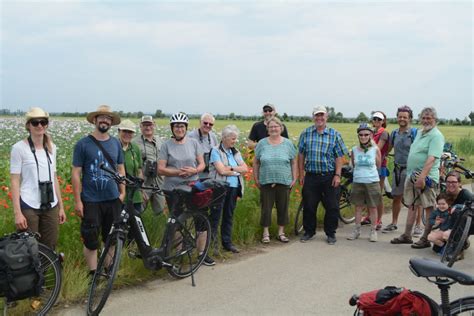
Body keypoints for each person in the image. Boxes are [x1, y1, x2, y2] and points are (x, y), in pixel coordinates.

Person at [72, 105, 125, 275]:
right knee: (91, 238)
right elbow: (76, 173)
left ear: (111, 122)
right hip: (91, 199)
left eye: (108, 118)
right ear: (95, 120)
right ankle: (94, 273)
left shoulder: (116, 143)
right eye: (101, 117)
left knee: (111, 238)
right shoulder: (83, 144)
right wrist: (78, 201)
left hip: (112, 198)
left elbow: (120, 168)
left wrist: (122, 192)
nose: (105, 120)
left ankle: (108, 269)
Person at [157, 113, 212, 265]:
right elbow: (160, 169)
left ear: (186, 128)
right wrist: (179, 172)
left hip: (192, 186)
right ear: (172, 128)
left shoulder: (194, 143)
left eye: (182, 126)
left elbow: (201, 164)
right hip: (173, 189)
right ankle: (178, 254)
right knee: (176, 222)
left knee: (200, 219)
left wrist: (194, 171)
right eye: (176, 126)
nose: (179, 129)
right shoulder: (166, 145)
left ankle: (202, 254)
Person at [10, 107, 66, 250]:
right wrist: (17, 213)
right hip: (29, 205)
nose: (40, 125)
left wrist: (61, 207)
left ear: (47, 124)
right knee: (29, 247)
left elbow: (54, 177)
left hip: (50, 205)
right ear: (28, 126)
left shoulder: (52, 147)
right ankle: (29, 273)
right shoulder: (19, 148)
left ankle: (45, 273)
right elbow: (15, 181)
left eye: (43, 122)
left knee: (50, 247)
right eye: (35, 122)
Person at [391, 107, 445, 248]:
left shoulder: (436, 136)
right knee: (412, 205)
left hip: (426, 178)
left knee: (428, 208)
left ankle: (425, 238)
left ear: (435, 120)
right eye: (424, 118)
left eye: (429, 118)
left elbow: (431, 158)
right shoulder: (420, 133)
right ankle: (407, 235)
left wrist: (422, 177)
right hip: (412, 175)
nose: (426, 120)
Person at [298, 105, 348, 245]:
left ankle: (330, 233)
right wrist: (301, 174)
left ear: (326, 117)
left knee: (332, 206)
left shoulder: (334, 134)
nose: (319, 118)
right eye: (317, 115)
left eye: (322, 115)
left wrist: (337, 175)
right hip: (311, 176)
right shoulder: (306, 133)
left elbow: (339, 157)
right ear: (313, 117)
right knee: (309, 205)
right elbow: (301, 155)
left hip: (329, 176)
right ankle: (309, 231)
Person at [253, 117, 297, 243]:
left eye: (276, 126)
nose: (273, 129)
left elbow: (293, 162)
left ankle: (281, 233)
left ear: (281, 128)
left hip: (284, 181)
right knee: (266, 207)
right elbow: (256, 162)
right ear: (267, 129)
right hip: (266, 180)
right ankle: (265, 233)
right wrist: (256, 178)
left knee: (283, 207)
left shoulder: (288, 143)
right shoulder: (262, 143)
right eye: (271, 127)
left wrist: (294, 178)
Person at [382, 105, 423, 236]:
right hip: (398, 170)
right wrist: (377, 158)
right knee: (396, 197)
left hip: (413, 170)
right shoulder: (394, 133)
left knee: (416, 199)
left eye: (405, 117)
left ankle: (418, 226)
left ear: (410, 118)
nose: (402, 119)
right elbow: (388, 149)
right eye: (400, 116)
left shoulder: (415, 133)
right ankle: (394, 223)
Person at [208, 125, 248, 253]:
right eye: (232, 138)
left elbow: (245, 168)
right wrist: (236, 170)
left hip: (234, 187)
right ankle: (213, 245)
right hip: (219, 188)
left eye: (235, 138)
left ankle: (227, 243)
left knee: (228, 216)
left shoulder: (235, 152)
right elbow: (220, 170)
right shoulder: (215, 151)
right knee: (216, 216)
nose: (235, 141)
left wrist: (230, 168)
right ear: (224, 138)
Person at [347, 123, 381, 242]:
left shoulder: (375, 149)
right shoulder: (354, 150)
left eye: (366, 134)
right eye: (361, 135)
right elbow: (354, 164)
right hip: (358, 181)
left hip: (372, 181)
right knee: (358, 207)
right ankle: (357, 230)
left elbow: (378, 165)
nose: (363, 137)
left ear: (370, 135)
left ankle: (373, 231)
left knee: (372, 207)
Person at [361, 111, 389, 230]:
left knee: (377, 194)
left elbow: (377, 148)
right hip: (368, 165)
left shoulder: (384, 133)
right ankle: (369, 217)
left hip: (379, 165)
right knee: (369, 193)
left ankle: (378, 220)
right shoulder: (372, 132)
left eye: (379, 119)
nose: (376, 121)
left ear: (383, 121)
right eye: (375, 119)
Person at [133, 115, 165, 215]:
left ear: (154, 125)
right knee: (138, 211)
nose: (147, 127)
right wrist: (139, 187)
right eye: (145, 125)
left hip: (159, 183)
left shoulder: (160, 141)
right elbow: (134, 166)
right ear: (140, 126)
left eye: (150, 124)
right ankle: (136, 229)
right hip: (144, 184)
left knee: (160, 210)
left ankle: (157, 228)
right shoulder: (135, 143)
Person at [118, 119, 143, 212]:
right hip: (118, 194)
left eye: (130, 132)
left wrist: (141, 189)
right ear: (119, 131)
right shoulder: (113, 147)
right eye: (125, 131)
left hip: (135, 194)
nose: (127, 134)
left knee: (135, 222)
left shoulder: (135, 148)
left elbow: (139, 169)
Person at [187, 113, 219, 179]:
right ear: (200, 122)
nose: (208, 125)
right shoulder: (190, 137)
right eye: (205, 123)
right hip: (194, 176)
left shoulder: (213, 137)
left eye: (211, 124)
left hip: (210, 176)